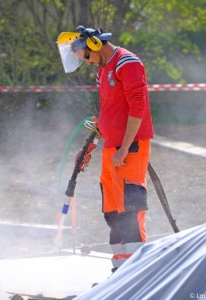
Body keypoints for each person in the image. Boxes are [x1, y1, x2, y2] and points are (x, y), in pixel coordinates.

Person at [56, 25, 154, 272]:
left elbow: (137, 108)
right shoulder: (103, 71)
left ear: (96, 46)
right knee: (113, 212)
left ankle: (135, 272)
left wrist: (123, 148)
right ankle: (119, 269)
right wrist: (91, 147)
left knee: (130, 209)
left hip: (128, 149)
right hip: (112, 150)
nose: (87, 63)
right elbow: (108, 114)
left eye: (86, 56)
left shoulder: (127, 63)